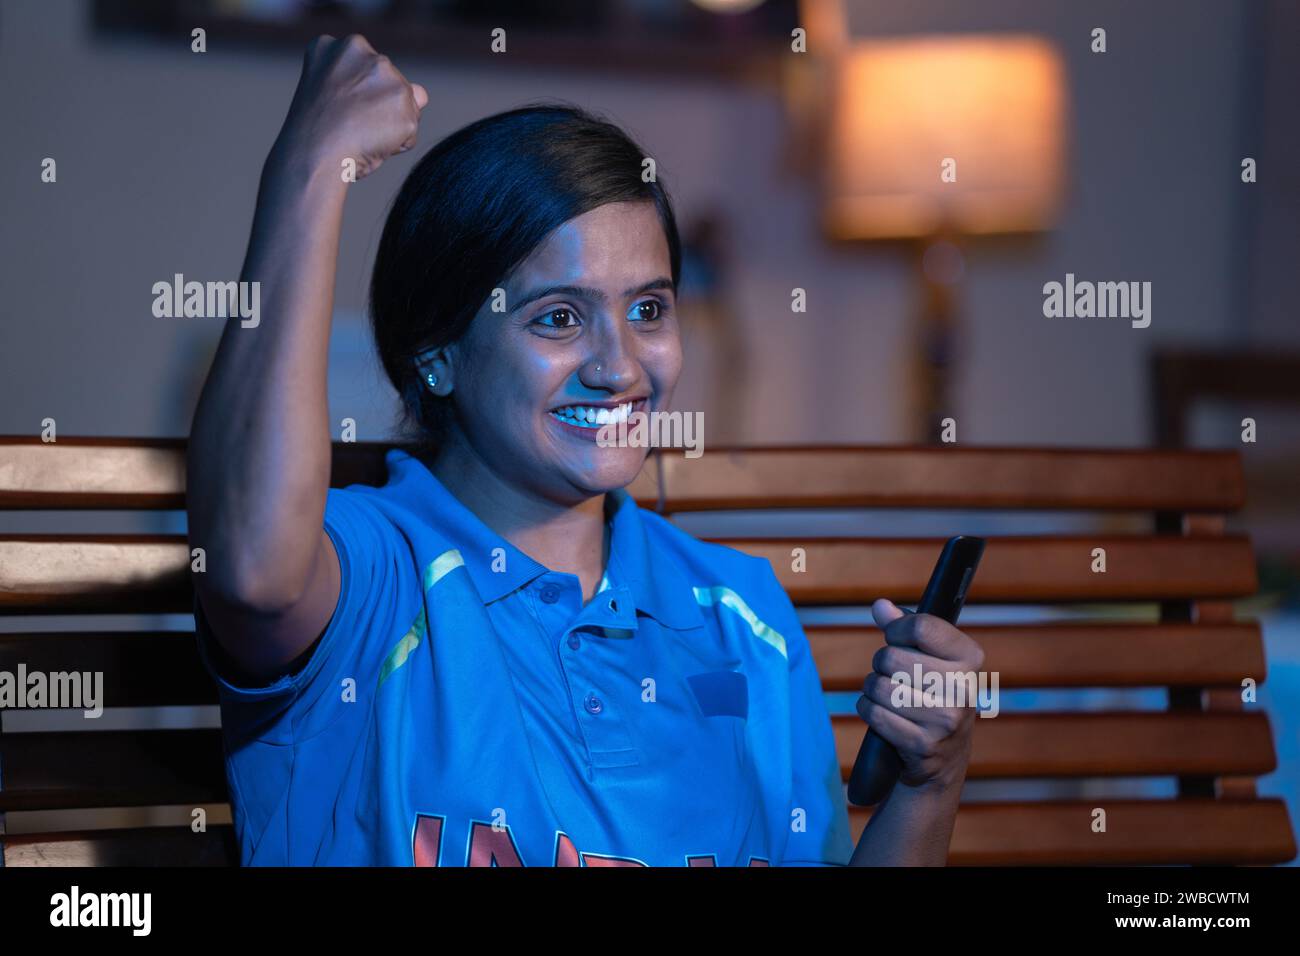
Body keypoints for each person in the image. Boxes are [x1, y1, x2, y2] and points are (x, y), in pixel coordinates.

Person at [186, 34, 984, 866]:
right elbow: (249, 569)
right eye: (558, 317)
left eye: (648, 310)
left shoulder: (743, 617)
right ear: (437, 353)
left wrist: (932, 779)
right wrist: (310, 167)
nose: (619, 368)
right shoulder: (372, 579)